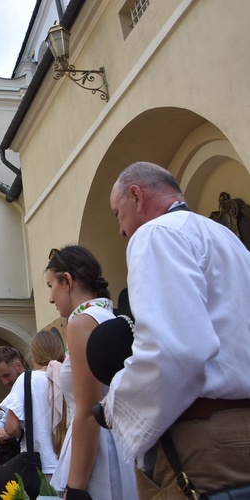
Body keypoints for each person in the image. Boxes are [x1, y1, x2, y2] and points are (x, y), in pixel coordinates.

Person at [102, 162, 250, 496]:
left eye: (117, 214)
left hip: (204, 441)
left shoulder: (156, 234)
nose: (122, 231)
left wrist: (116, 401)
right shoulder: (226, 237)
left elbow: (176, 349)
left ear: (136, 196)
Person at [45, 246, 135, 499]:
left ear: (68, 281)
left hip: (97, 453)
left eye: (51, 285)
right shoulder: (108, 316)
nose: (51, 298)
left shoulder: (82, 323)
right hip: (120, 444)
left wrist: (76, 488)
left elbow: (89, 411)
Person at [0, 331, 65, 481]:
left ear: (33, 354)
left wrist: (12, 433)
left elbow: (11, 428)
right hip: (68, 466)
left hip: (39, 466)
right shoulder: (68, 375)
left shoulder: (27, 380)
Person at [0, 347, 24, 465]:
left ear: (18, 365)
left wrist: (9, 432)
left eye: (6, 375)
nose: (4, 382)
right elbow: (7, 416)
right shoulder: (15, 389)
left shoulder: (32, 384)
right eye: (0, 377)